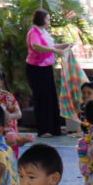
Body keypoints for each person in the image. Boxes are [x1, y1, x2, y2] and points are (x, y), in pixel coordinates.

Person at [23, 8, 62, 136]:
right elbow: (36, 46)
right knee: (42, 98)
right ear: (41, 19)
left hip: (46, 68)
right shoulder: (33, 32)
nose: (49, 21)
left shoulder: (43, 32)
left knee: (51, 97)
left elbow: (49, 46)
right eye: (47, 19)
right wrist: (55, 51)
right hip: (36, 69)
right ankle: (44, 129)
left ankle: (54, 128)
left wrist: (62, 46)